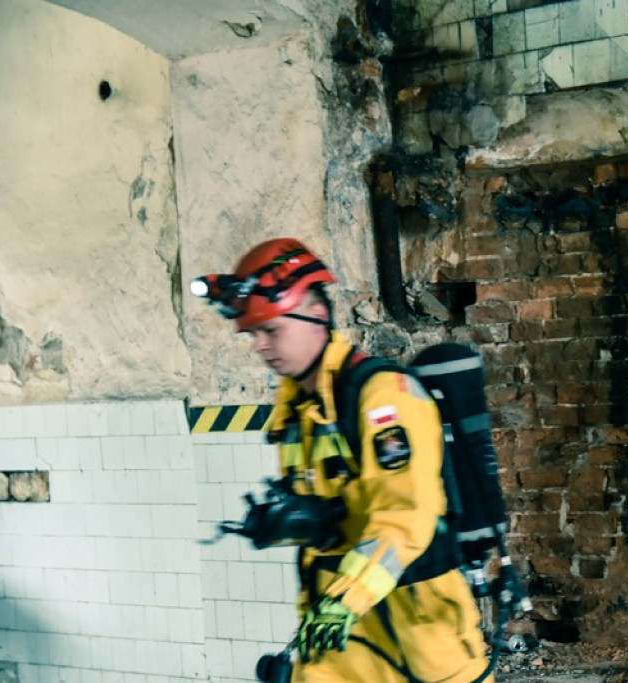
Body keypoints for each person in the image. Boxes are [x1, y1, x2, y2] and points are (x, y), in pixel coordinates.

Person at [193, 237, 493, 683]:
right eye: (253, 334)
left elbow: (403, 519)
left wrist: (343, 601)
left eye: (271, 331)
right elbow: (339, 513)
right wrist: (292, 522)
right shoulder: (298, 410)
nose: (259, 346)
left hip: (418, 633)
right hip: (339, 636)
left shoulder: (385, 398)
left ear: (317, 316)